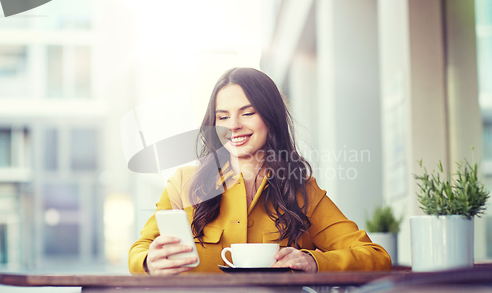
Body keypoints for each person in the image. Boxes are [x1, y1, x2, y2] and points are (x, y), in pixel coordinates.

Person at [129, 67, 391, 275]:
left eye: (248, 113)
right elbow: (139, 251)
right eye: (222, 117)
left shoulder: (301, 191)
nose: (233, 126)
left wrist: (314, 261)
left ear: (270, 118)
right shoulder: (184, 183)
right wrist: (148, 263)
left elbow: (376, 256)